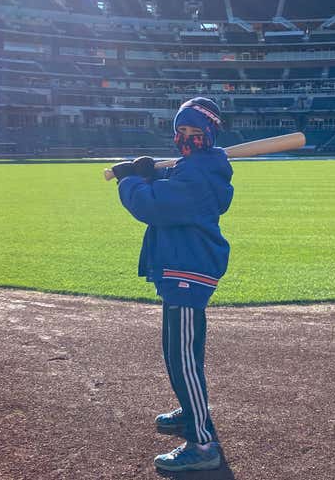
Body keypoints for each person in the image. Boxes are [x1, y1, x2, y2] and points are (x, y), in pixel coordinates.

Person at [111, 97, 233, 472]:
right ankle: (190, 410)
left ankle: (202, 444)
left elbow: (153, 206)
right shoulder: (196, 168)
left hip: (187, 271)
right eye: (181, 131)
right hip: (181, 268)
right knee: (178, 354)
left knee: (183, 360)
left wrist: (130, 180)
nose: (187, 138)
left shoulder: (198, 173)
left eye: (195, 132)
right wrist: (150, 174)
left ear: (209, 135)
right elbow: (168, 187)